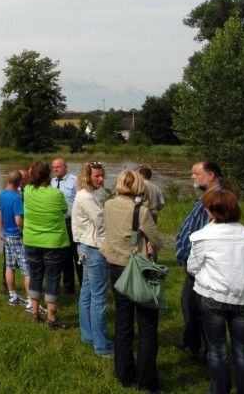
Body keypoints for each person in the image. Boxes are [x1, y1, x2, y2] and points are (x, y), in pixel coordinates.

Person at [188, 188, 244, 394]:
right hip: (243, 299)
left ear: (212, 211)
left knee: (217, 349)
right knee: (243, 349)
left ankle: (220, 390)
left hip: (213, 298)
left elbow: (192, 267)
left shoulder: (203, 237)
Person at [101, 169, 163, 392]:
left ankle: (124, 374)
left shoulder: (108, 204)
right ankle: (146, 379)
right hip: (138, 269)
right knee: (147, 323)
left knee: (123, 320)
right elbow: (157, 240)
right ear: (138, 186)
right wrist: (150, 241)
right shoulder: (142, 210)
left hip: (116, 266)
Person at [175, 160, 224, 362]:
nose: (192, 177)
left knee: (201, 309)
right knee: (189, 304)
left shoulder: (216, 200)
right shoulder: (205, 198)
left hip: (201, 266)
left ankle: (208, 352)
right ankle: (192, 343)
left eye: (196, 173)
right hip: (193, 264)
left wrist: (192, 260)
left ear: (210, 175)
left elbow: (206, 235)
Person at [71, 161, 113, 357]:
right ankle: (102, 346)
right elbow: (102, 224)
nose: (101, 179)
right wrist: (111, 246)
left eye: (102, 175)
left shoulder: (87, 195)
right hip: (95, 249)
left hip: (86, 248)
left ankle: (88, 336)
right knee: (99, 299)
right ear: (86, 177)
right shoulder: (86, 197)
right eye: (96, 176)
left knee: (87, 294)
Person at [23, 161, 70, 329]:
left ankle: (35, 314)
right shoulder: (56, 194)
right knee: (52, 279)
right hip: (53, 243)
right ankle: (51, 318)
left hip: (31, 241)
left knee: (35, 276)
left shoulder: (27, 191)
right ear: (48, 175)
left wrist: (30, 173)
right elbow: (64, 211)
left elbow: (28, 181)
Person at [0, 170, 31, 309]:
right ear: (18, 183)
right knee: (27, 270)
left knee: (9, 266)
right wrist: (25, 232)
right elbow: (18, 221)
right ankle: (30, 301)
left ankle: (13, 295)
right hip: (17, 236)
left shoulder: (1, 195)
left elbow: (0, 213)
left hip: (6, 235)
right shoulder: (16, 198)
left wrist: (0, 230)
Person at [51, 158, 82, 294]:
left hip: (73, 222)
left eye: (58, 167)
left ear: (66, 167)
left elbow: (82, 201)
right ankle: (69, 289)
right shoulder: (51, 183)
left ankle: (84, 287)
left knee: (78, 256)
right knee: (64, 257)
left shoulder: (75, 181)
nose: (56, 169)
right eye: (54, 167)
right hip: (58, 224)